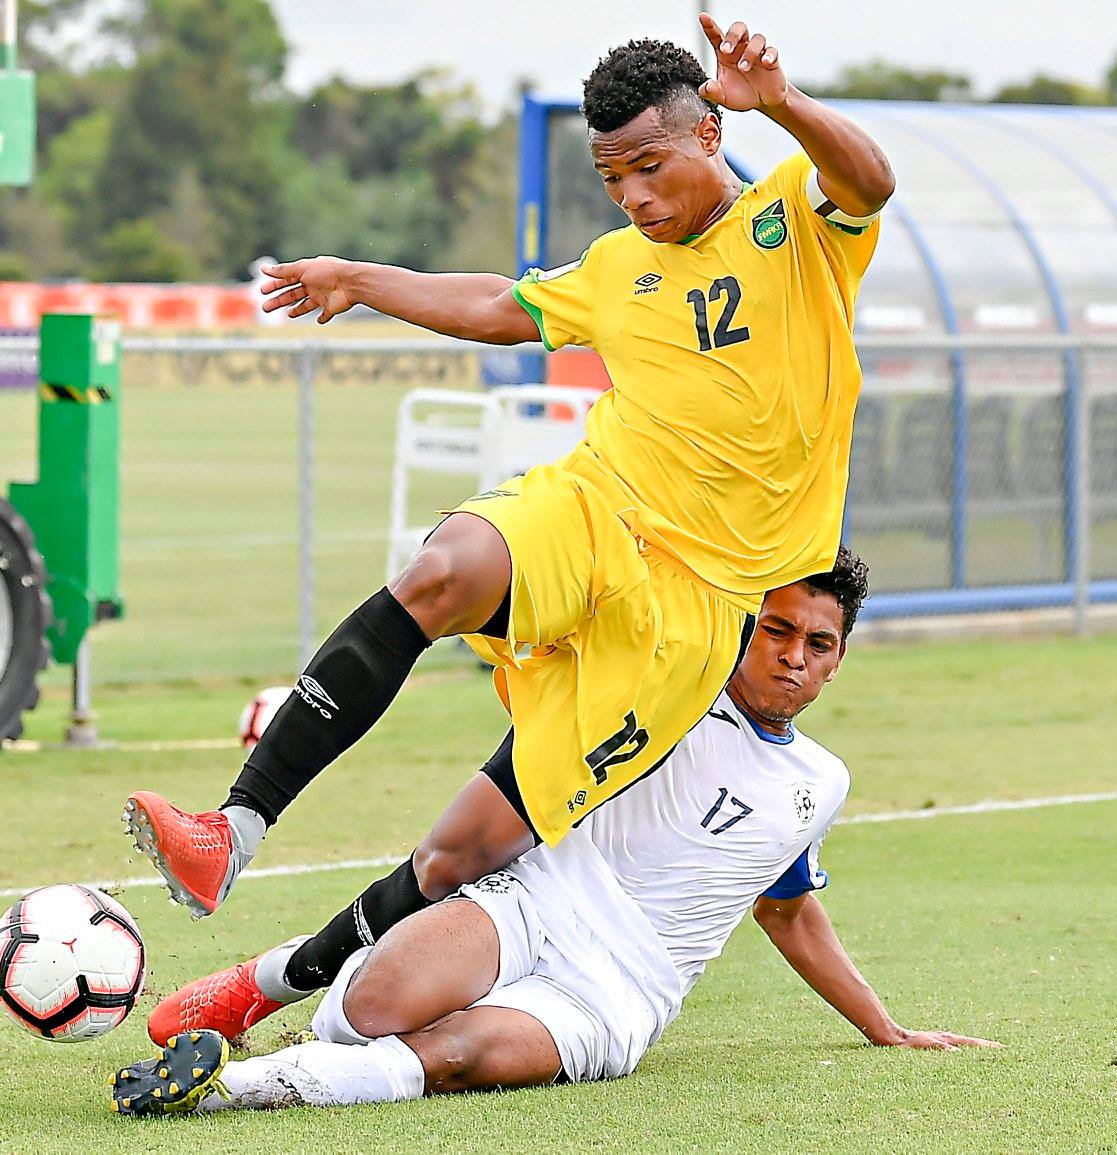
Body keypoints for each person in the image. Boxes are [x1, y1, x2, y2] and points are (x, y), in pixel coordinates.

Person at [123, 15, 896, 1011]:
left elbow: (870, 182)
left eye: (649, 167)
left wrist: (783, 102)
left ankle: (263, 986)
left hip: (696, 609)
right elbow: (500, 305)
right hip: (599, 509)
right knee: (444, 569)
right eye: (611, 178)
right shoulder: (618, 266)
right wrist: (358, 279)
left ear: (710, 133)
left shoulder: (794, 218)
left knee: (461, 852)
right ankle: (231, 831)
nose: (634, 197)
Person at [111, 552, 997, 1117]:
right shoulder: (668, 688)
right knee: (371, 1008)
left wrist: (886, 1026)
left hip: (622, 991)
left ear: (840, 657)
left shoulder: (820, 782)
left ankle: (224, 1086)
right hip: (539, 897)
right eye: (777, 629)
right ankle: (275, 981)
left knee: (456, 1053)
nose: (794, 655)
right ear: (743, 625)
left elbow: (789, 910)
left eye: (819, 642)